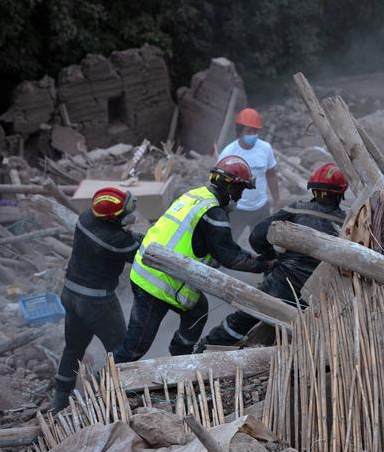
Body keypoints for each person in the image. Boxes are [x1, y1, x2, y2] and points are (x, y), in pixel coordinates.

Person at [114, 156, 271, 362]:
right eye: (240, 190)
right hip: (155, 283)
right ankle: (106, 380)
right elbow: (229, 256)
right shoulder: (213, 212)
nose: (240, 197)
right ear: (229, 187)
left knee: (197, 311)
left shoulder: (196, 196)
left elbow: (219, 247)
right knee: (136, 346)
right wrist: (265, 264)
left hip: (154, 270)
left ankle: (181, 355)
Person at [198, 162, 348, 349]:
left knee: (243, 317)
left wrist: (272, 257)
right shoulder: (347, 223)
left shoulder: (296, 209)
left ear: (313, 190)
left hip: (281, 283)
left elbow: (257, 236)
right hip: (318, 293)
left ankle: (206, 348)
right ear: (341, 193)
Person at [51, 187, 141, 412]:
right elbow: (142, 252)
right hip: (96, 302)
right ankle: (116, 394)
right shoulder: (116, 240)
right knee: (121, 349)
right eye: (125, 210)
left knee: (73, 348)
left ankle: (59, 401)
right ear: (112, 218)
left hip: (70, 294)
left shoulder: (86, 217)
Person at [218, 107, 281, 242]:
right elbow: (218, 183)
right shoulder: (229, 153)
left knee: (263, 243)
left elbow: (271, 175)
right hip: (237, 209)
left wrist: (277, 200)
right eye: (249, 131)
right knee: (229, 243)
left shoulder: (265, 149)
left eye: (255, 131)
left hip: (260, 208)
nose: (253, 134)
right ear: (240, 131)